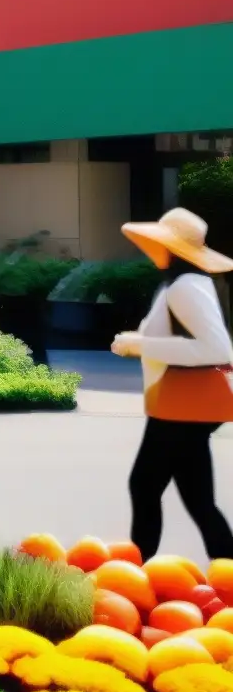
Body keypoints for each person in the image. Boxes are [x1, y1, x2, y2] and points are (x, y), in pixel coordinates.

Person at [110, 208, 233, 561]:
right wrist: (139, 341)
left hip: (179, 407)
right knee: (198, 501)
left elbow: (217, 348)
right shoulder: (187, 283)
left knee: (144, 486)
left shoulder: (184, 287)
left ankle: (136, 575)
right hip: (180, 406)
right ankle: (227, 576)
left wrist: (140, 344)